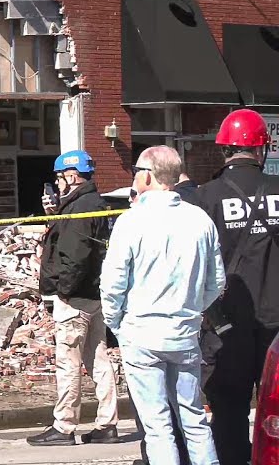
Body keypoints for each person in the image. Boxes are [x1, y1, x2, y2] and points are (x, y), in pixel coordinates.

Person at [101, 146, 224, 465]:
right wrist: (193, 309)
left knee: (158, 428)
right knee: (195, 421)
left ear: (147, 175)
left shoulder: (130, 222)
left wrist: (117, 325)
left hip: (141, 333)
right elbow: (216, 281)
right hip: (184, 334)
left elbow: (112, 284)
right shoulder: (200, 221)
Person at [196, 108, 279, 465]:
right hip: (277, 325)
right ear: (262, 149)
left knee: (228, 409)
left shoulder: (205, 198)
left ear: (223, 150)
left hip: (227, 322)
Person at [28, 149, 119, 447]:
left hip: (75, 298)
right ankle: (107, 424)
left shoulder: (79, 209)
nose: (58, 183)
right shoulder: (91, 203)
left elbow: (74, 257)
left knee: (68, 362)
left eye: (60, 177)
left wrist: (62, 292)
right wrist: (54, 215)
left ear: (72, 174)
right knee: (99, 359)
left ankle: (64, 426)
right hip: (94, 296)